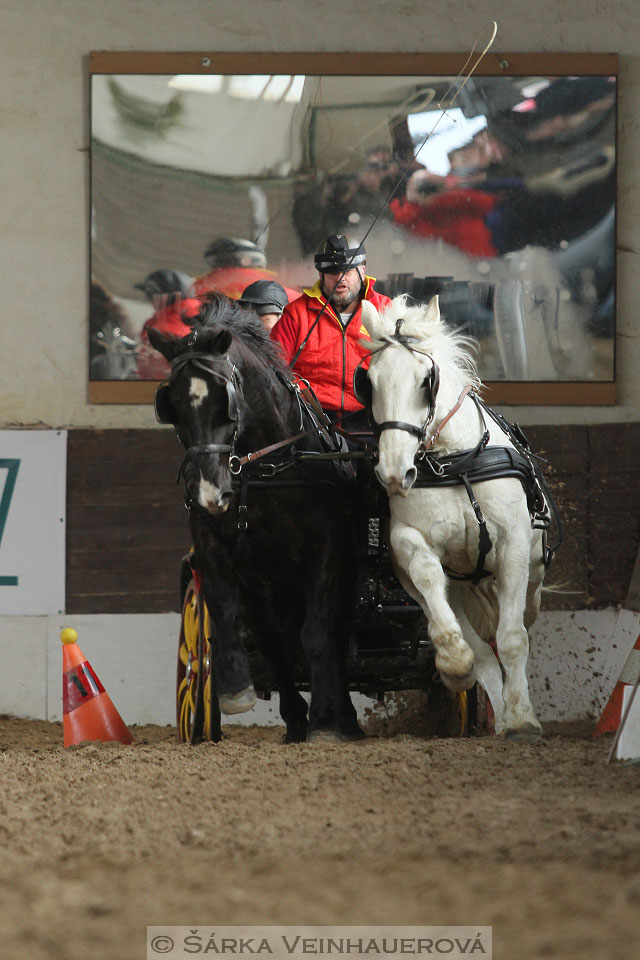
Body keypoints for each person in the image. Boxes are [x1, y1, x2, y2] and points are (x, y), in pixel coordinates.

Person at [270, 234, 391, 430]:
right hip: (310, 424)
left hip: (373, 420)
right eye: (332, 272)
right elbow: (272, 373)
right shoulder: (296, 315)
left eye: (348, 270)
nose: (340, 278)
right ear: (320, 275)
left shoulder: (386, 310)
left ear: (362, 270)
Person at [134, 268, 201, 379]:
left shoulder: (173, 326)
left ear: (169, 297)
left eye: (151, 295)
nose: (150, 300)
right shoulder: (161, 319)